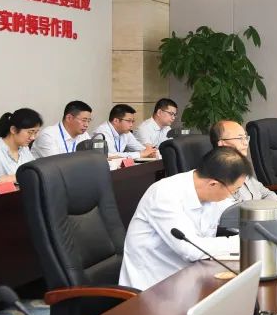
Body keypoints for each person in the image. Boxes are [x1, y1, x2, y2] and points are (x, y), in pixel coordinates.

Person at [119, 146, 250, 290]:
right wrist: (244, 242)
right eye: (234, 191)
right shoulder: (164, 195)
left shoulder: (211, 191)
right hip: (153, 287)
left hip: (191, 278)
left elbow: (237, 213)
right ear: (213, 184)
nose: (233, 196)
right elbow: (191, 249)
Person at [0, 108, 42, 186]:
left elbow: (34, 170)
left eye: (36, 132)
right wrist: (25, 176)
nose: (33, 137)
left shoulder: (24, 148)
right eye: (30, 132)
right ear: (13, 130)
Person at [92, 104, 157, 160]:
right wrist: (140, 154)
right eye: (129, 121)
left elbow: (140, 148)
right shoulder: (102, 133)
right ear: (116, 121)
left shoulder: (125, 132)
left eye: (132, 121)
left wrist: (150, 152)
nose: (131, 125)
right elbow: (111, 155)